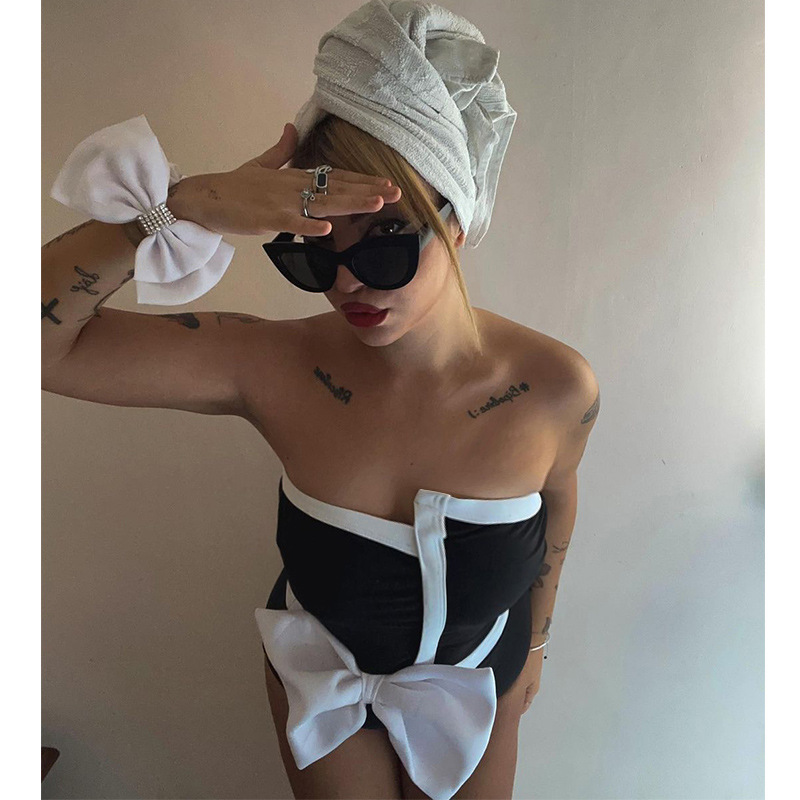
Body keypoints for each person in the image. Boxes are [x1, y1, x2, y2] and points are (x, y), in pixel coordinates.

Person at [43, 9, 599, 800]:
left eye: (385, 240)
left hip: (479, 682)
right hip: (320, 682)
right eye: (313, 252)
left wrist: (537, 645)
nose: (347, 281)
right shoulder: (272, 365)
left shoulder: (555, 388)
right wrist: (185, 204)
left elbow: (559, 500)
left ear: (455, 221)